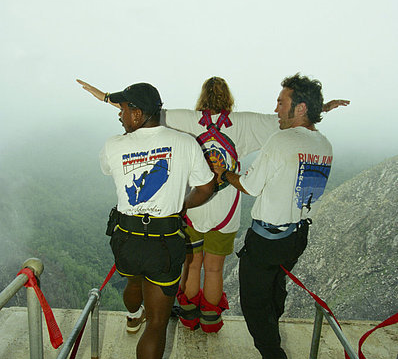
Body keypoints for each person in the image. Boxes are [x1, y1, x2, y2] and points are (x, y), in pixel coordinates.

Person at [76, 77, 348, 334]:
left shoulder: (186, 119)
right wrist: (321, 108)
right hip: (226, 210)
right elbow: (293, 119)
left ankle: (189, 316)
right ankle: (210, 320)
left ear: (202, 97)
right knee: (215, 269)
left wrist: (105, 97)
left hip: (193, 206)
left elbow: (147, 111)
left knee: (192, 266)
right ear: (228, 99)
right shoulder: (246, 123)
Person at [213, 73, 336, 359]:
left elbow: (251, 186)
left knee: (254, 304)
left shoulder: (281, 142)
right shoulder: (323, 145)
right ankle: (273, 327)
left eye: (282, 102)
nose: (276, 108)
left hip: (268, 238)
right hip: (297, 235)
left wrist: (224, 174)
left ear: (300, 108)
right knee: (274, 289)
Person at [99, 82, 214, 359]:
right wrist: (180, 204)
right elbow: (207, 187)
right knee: (158, 322)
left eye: (122, 109)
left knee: (133, 279)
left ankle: (132, 315)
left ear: (138, 112)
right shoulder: (184, 143)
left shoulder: (114, 146)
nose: (119, 115)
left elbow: (110, 172)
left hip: (126, 238)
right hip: (163, 240)